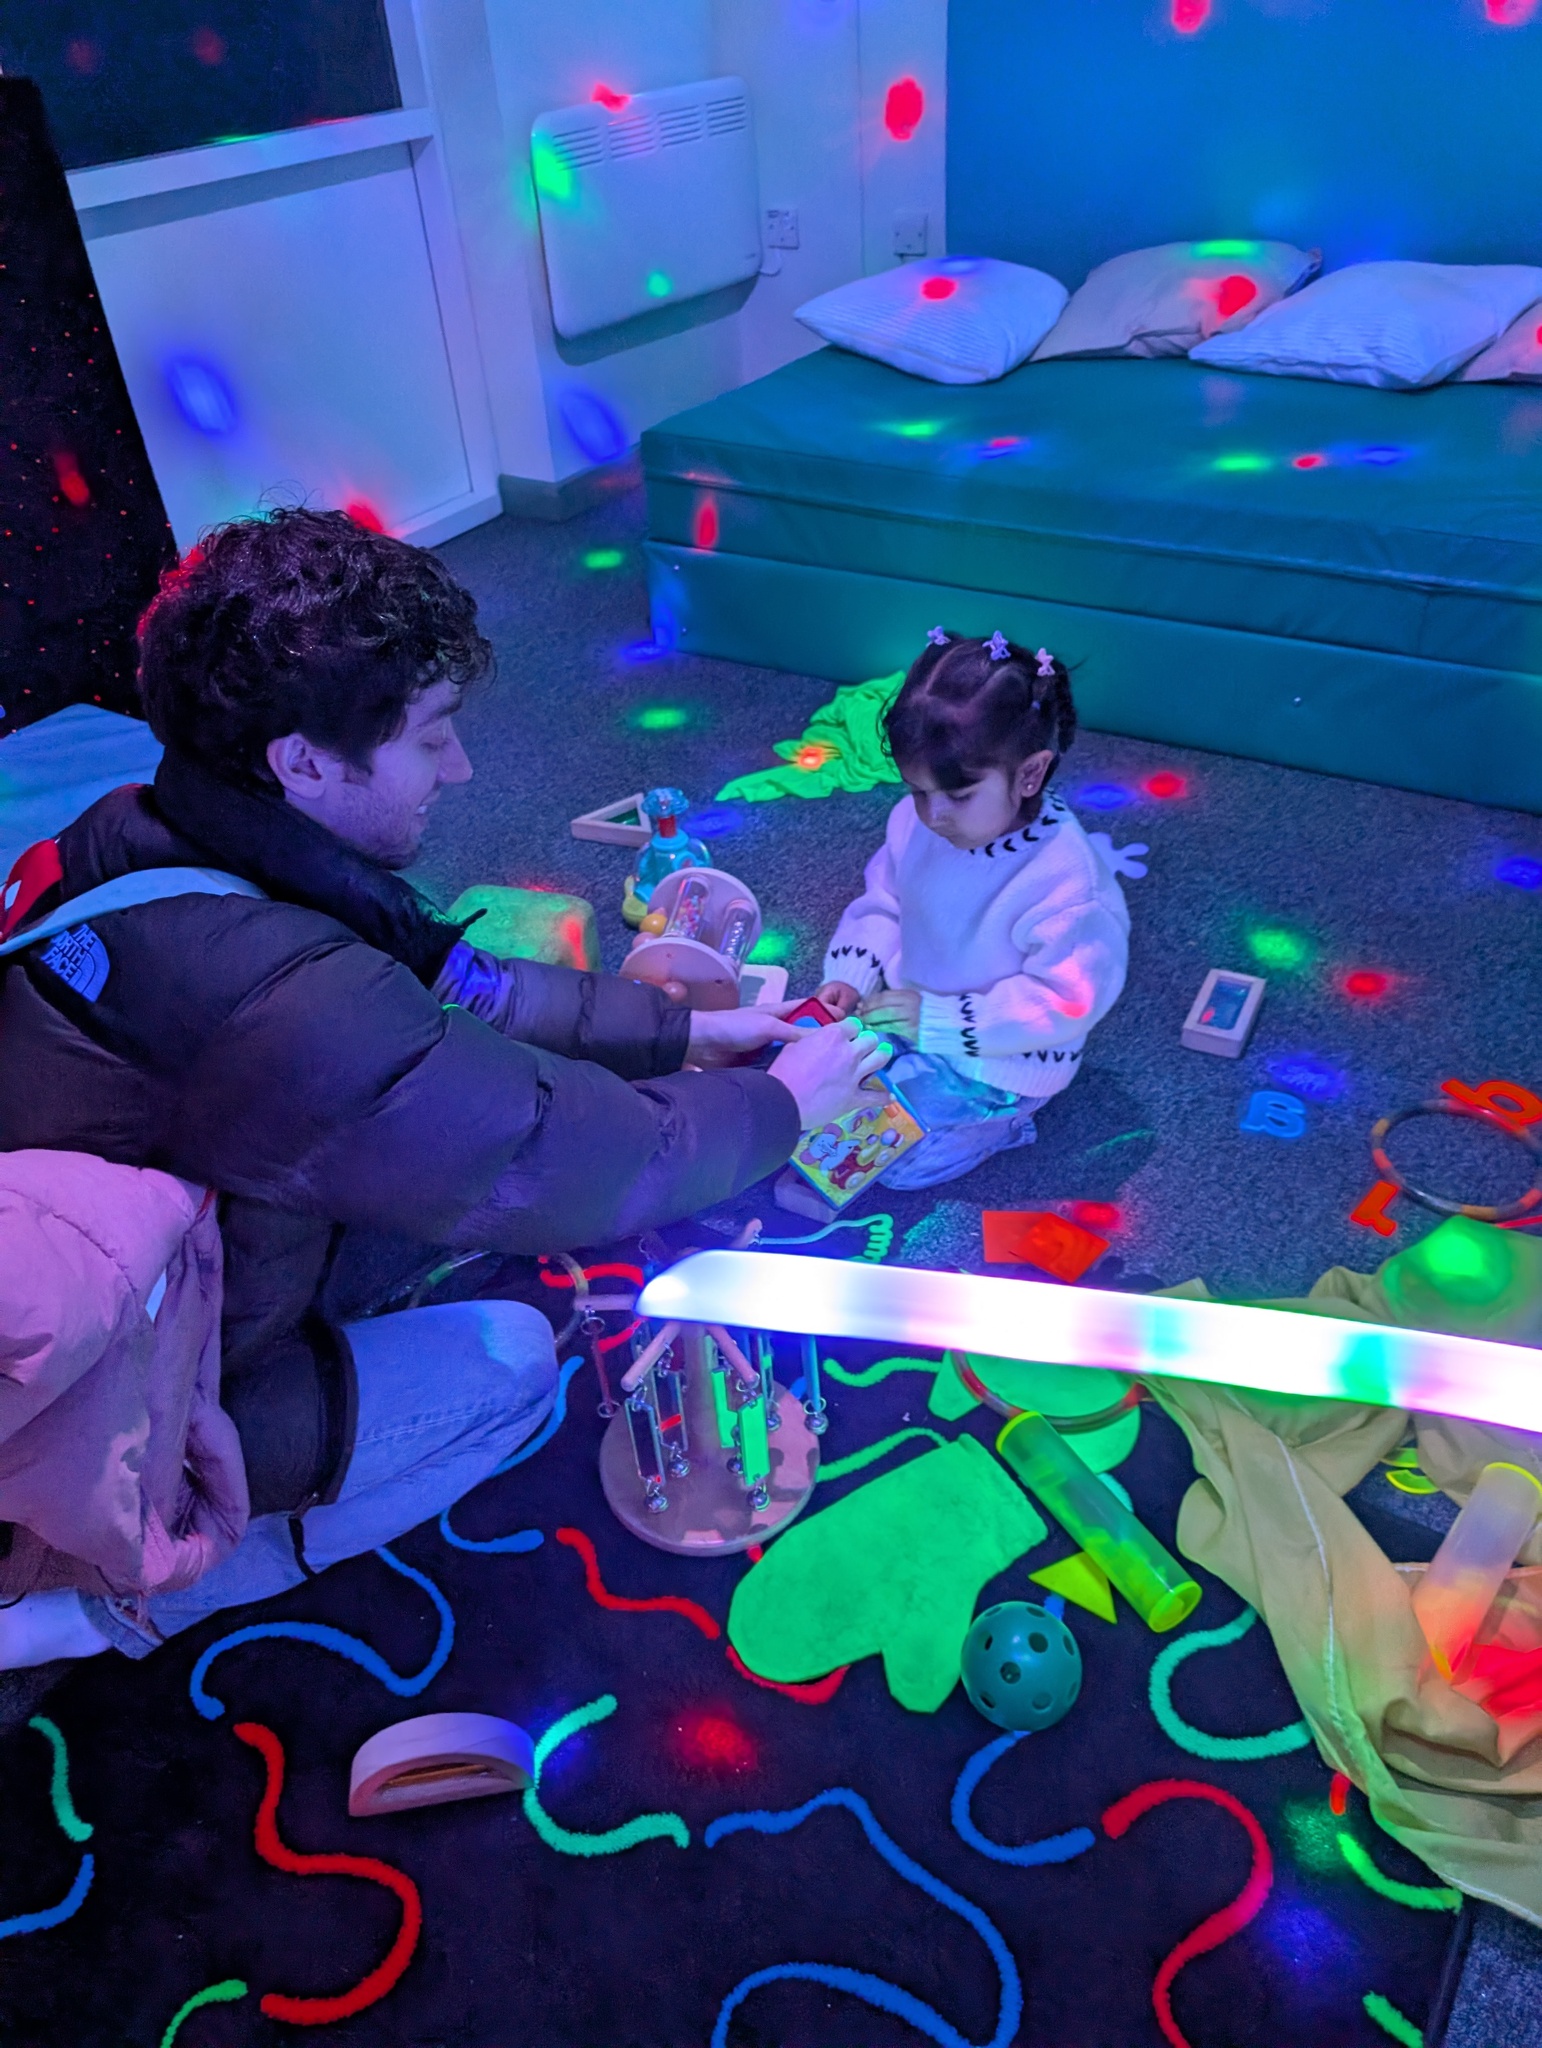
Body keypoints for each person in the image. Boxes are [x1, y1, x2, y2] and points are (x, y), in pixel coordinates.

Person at [0, 508, 885, 1669]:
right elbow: (555, 1157)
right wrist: (785, 1105)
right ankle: (103, 1602)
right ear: (303, 760)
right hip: (121, 1410)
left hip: (163, 1268)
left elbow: (465, 993)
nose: (460, 767)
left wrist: (684, 1030)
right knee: (513, 1368)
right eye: (431, 738)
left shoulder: (153, 828)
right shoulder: (277, 994)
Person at [812, 627, 1129, 1188]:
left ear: (1030, 774)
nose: (933, 815)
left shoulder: (1069, 885)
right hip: (908, 1014)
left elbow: (1063, 1002)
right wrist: (851, 976)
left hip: (1001, 1061)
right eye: (917, 790)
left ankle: (1006, 1123)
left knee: (894, 1168)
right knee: (812, 1098)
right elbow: (884, 901)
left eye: (958, 795)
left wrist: (941, 1021)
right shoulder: (917, 823)